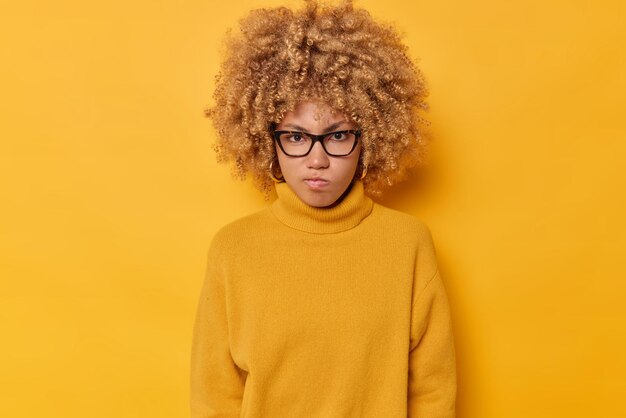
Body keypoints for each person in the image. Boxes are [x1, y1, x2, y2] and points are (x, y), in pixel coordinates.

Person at [190, 1, 457, 417]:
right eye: (296, 137)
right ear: (267, 139)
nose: (317, 160)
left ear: (370, 136)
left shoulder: (408, 244)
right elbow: (215, 396)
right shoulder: (233, 249)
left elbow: (433, 391)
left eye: (337, 136)